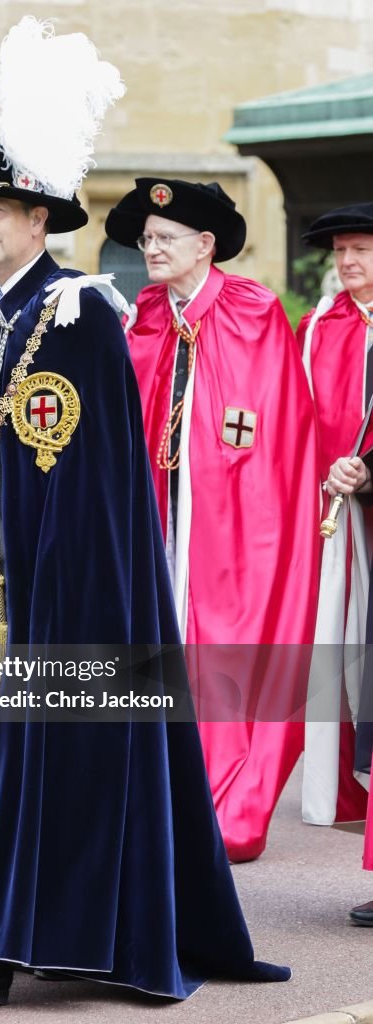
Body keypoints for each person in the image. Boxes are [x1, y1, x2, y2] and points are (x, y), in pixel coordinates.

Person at [0, 18, 290, 1006]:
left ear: (41, 221)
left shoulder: (76, 313)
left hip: (74, 586)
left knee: (54, 767)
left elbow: (92, 473)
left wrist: (66, 582)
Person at [104, 179, 321, 862]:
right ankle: (153, 791)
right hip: (158, 514)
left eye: (165, 239)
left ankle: (225, 796)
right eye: (145, 240)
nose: (150, 250)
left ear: (204, 246)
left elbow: (280, 430)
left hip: (234, 524)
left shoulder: (253, 312)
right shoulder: (142, 316)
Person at [300, 204, 373, 924]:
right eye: (341, 250)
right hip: (335, 524)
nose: (348, 260)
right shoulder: (320, 327)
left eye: (362, 248)